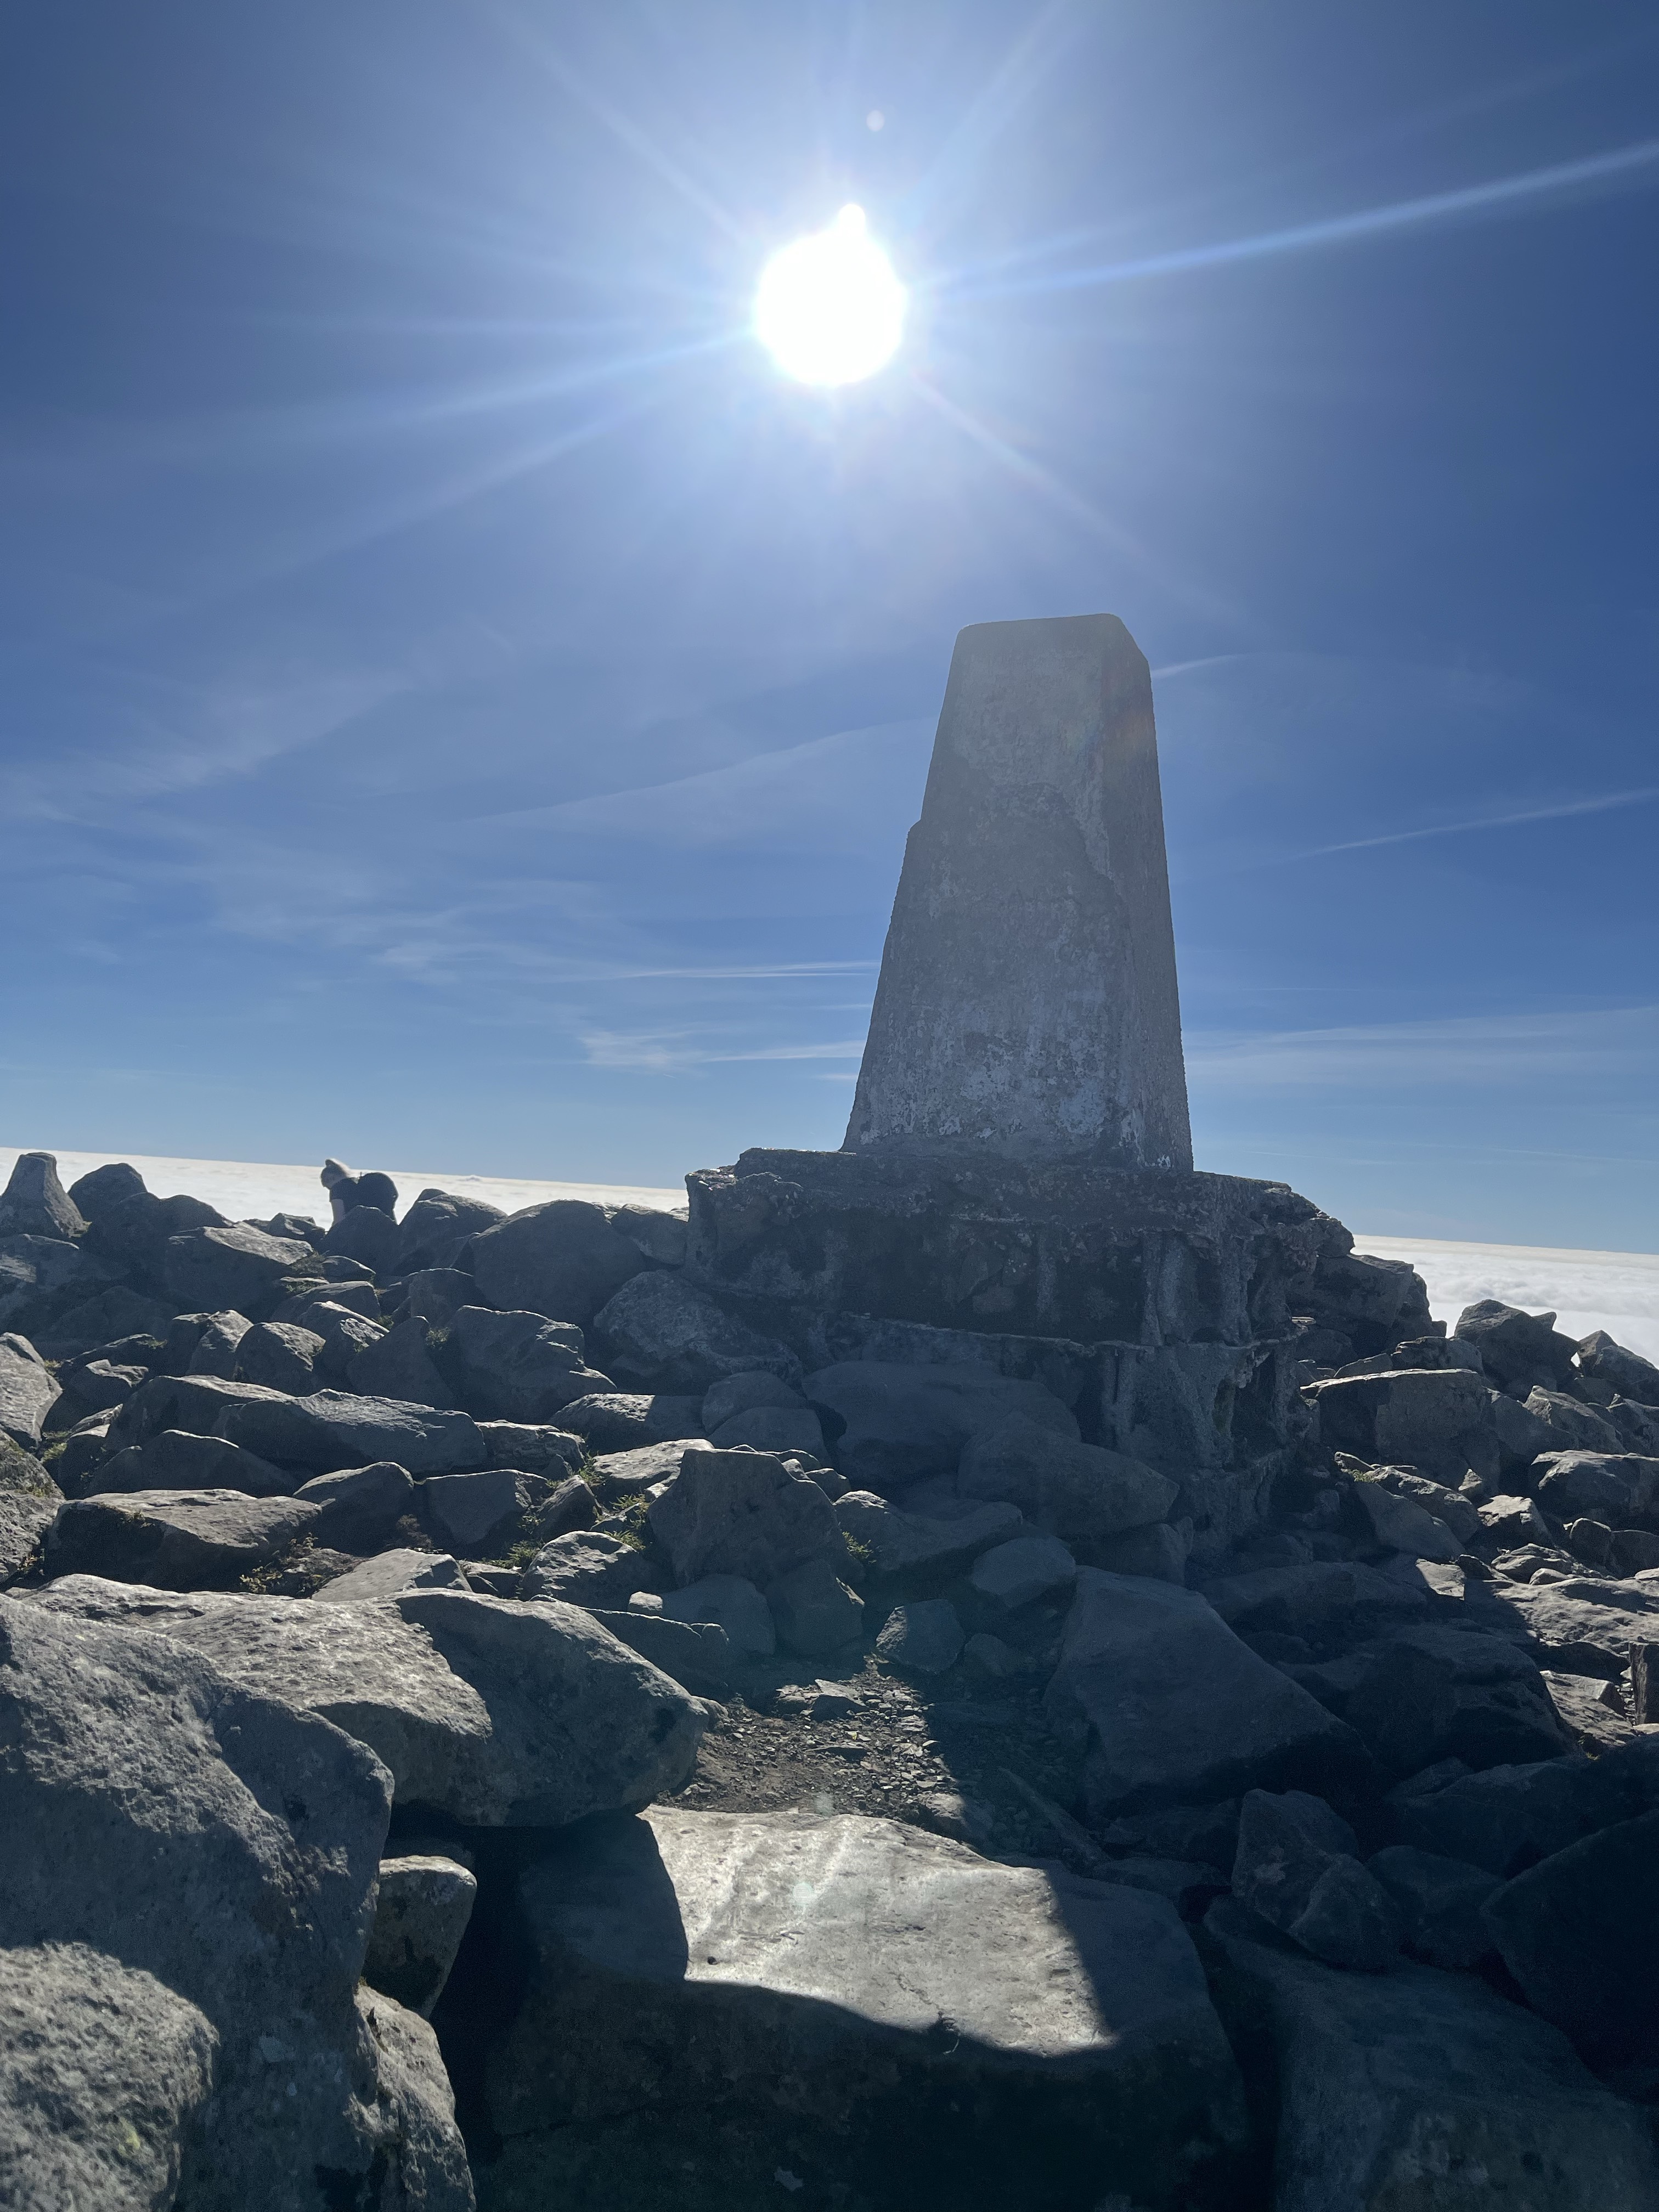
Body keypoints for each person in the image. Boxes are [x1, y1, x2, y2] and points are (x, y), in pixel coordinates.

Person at [320, 1158, 399, 1225]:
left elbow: (339, 1219)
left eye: (328, 1187)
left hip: (359, 1231)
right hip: (385, 1226)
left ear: (330, 1179)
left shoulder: (337, 1189)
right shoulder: (359, 1184)